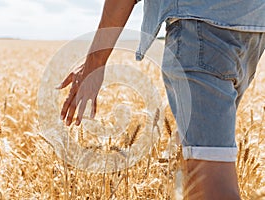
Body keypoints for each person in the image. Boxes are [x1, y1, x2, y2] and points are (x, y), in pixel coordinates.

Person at [56, 0, 265, 199]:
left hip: (200, 31)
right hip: (253, 27)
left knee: (210, 185)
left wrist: (95, 62)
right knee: (192, 175)